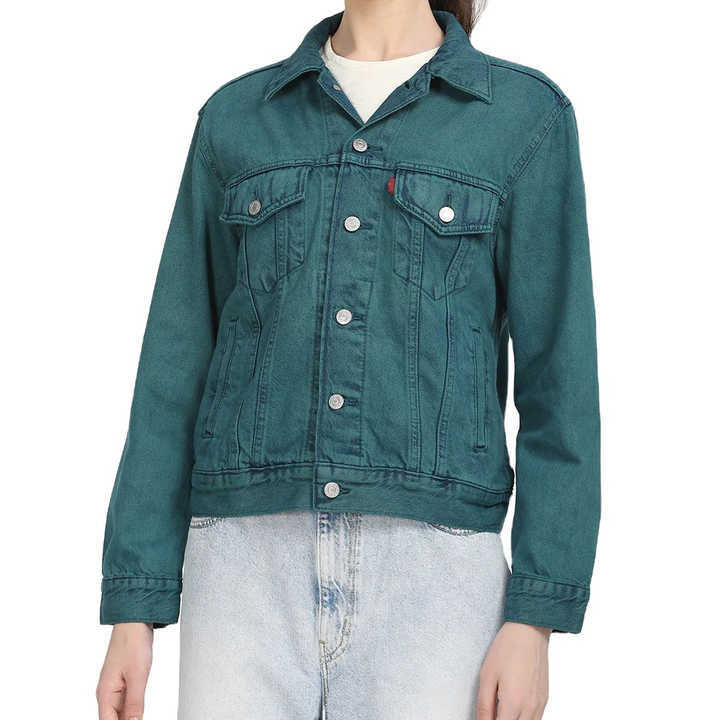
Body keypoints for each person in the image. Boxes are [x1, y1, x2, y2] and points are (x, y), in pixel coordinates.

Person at [96, 1, 600, 718]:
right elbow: (174, 369)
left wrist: (535, 617)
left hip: (434, 573)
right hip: (242, 570)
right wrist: (135, 607)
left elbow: (560, 385)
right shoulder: (237, 118)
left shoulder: (523, 118)